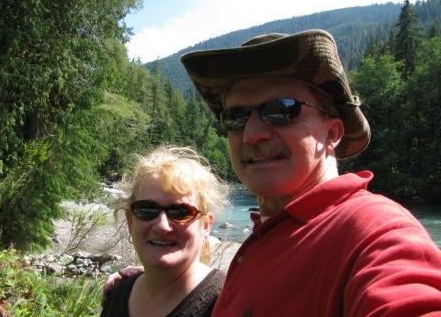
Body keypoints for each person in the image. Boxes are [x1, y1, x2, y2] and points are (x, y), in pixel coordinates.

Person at [105, 30, 441, 316]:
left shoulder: (373, 231)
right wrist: (157, 280)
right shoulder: (269, 236)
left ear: (333, 133)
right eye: (236, 116)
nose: (252, 134)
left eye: (281, 110)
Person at [101, 145, 227, 317]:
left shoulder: (228, 303)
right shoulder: (117, 294)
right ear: (130, 221)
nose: (162, 226)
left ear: (206, 225)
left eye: (180, 212)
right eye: (147, 209)